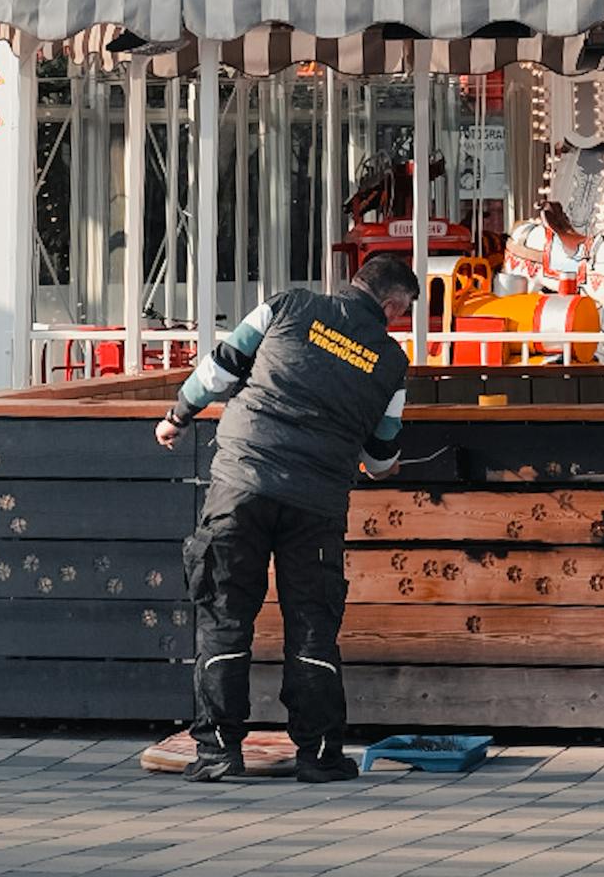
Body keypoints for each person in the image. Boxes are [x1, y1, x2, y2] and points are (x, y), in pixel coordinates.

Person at [155, 252, 420, 785]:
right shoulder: (391, 362)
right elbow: (381, 457)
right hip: (316, 504)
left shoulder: (287, 306)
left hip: (240, 484)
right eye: (403, 312)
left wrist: (177, 416)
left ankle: (217, 754)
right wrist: (374, 462)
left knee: (224, 617)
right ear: (392, 304)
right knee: (312, 628)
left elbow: (219, 367)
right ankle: (319, 756)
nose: (400, 321)